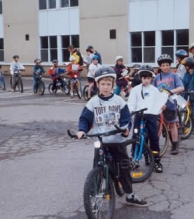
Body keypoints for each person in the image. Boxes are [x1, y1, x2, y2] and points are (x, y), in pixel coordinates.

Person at [76, 67, 147, 207]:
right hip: (101, 141)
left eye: (109, 84)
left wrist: (125, 130)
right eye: (103, 84)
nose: (106, 87)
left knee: (124, 168)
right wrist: (81, 130)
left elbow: (126, 119)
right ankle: (94, 197)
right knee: (97, 167)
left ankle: (129, 195)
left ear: (113, 85)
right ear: (97, 85)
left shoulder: (119, 101)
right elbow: (85, 119)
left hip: (117, 140)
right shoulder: (93, 102)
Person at [127, 65, 167, 173]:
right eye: (144, 78)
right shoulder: (135, 90)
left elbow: (160, 101)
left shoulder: (154, 90)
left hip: (151, 115)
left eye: (148, 78)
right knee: (136, 136)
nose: (146, 80)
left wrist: (162, 106)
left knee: (154, 137)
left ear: (151, 78)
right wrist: (131, 110)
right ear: (141, 78)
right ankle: (134, 159)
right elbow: (131, 103)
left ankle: (156, 160)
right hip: (139, 115)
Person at [153, 54, 184, 155]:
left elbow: (181, 88)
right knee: (157, 124)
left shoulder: (174, 76)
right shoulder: (157, 78)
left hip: (170, 104)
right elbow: (153, 91)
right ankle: (155, 146)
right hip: (160, 105)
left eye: (167, 65)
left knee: (172, 124)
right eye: (163, 65)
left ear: (170, 65)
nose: (165, 67)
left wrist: (171, 91)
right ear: (160, 66)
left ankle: (174, 145)